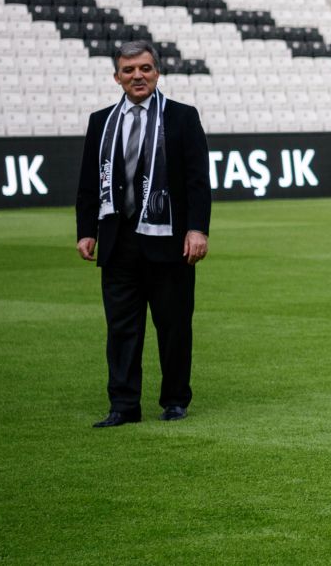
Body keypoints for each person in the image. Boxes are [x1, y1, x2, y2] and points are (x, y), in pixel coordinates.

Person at [76, 40, 212, 428]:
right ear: (116, 76)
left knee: (173, 326)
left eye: (145, 69)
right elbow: (88, 182)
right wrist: (87, 230)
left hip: (170, 240)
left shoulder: (183, 117)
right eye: (129, 70)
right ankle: (123, 405)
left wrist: (197, 229)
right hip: (119, 242)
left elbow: (199, 181)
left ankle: (174, 399)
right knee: (121, 328)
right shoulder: (101, 121)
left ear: (157, 72)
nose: (138, 76)